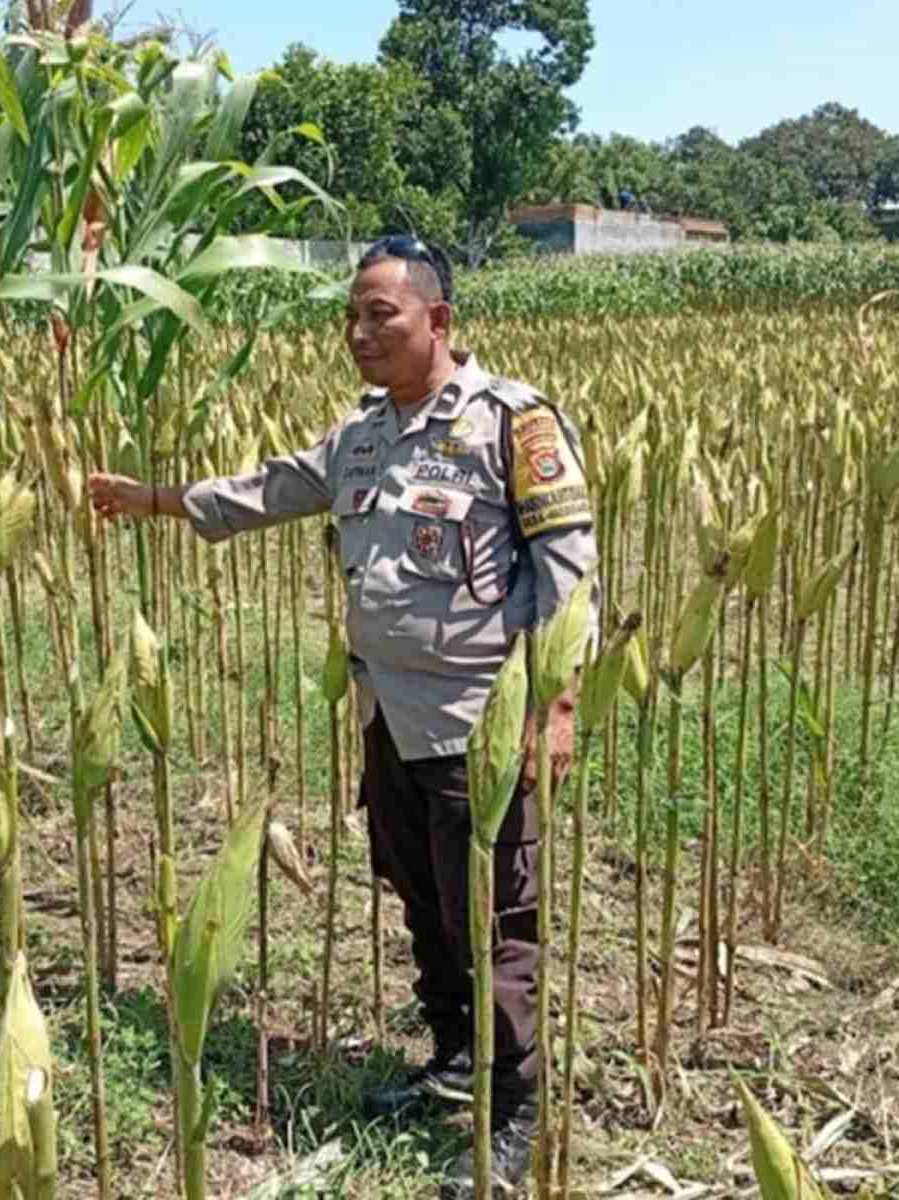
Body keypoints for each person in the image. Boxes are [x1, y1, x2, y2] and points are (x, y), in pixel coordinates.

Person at [85, 234, 598, 1196]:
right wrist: (155, 499)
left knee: (492, 914)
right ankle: (455, 1054)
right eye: (351, 317)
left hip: (478, 720)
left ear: (438, 319)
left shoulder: (509, 423)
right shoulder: (362, 434)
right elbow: (274, 488)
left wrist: (556, 705)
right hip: (386, 715)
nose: (359, 333)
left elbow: (567, 569)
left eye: (379, 315)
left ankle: (513, 1112)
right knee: (420, 893)